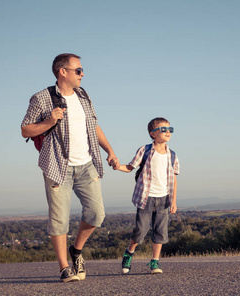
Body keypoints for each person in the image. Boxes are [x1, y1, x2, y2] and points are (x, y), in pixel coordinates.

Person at [21, 53, 119, 282]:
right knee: (59, 219)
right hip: (57, 166)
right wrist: (49, 122)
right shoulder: (41, 98)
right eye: (78, 70)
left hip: (86, 164)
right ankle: (64, 267)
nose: (82, 74)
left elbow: (93, 125)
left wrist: (110, 151)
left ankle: (76, 251)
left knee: (97, 214)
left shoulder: (83, 96)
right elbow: (25, 130)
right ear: (62, 71)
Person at [114, 117, 180, 274]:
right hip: (146, 198)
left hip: (164, 198)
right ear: (153, 134)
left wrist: (173, 201)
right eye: (163, 129)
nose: (168, 132)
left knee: (160, 231)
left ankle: (155, 262)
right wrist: (118, 166)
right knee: (140, 230)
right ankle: (129, 253)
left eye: (170, 129)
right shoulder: (145, 151)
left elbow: (174, 180)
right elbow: (130, 167)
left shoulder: (172, 155)